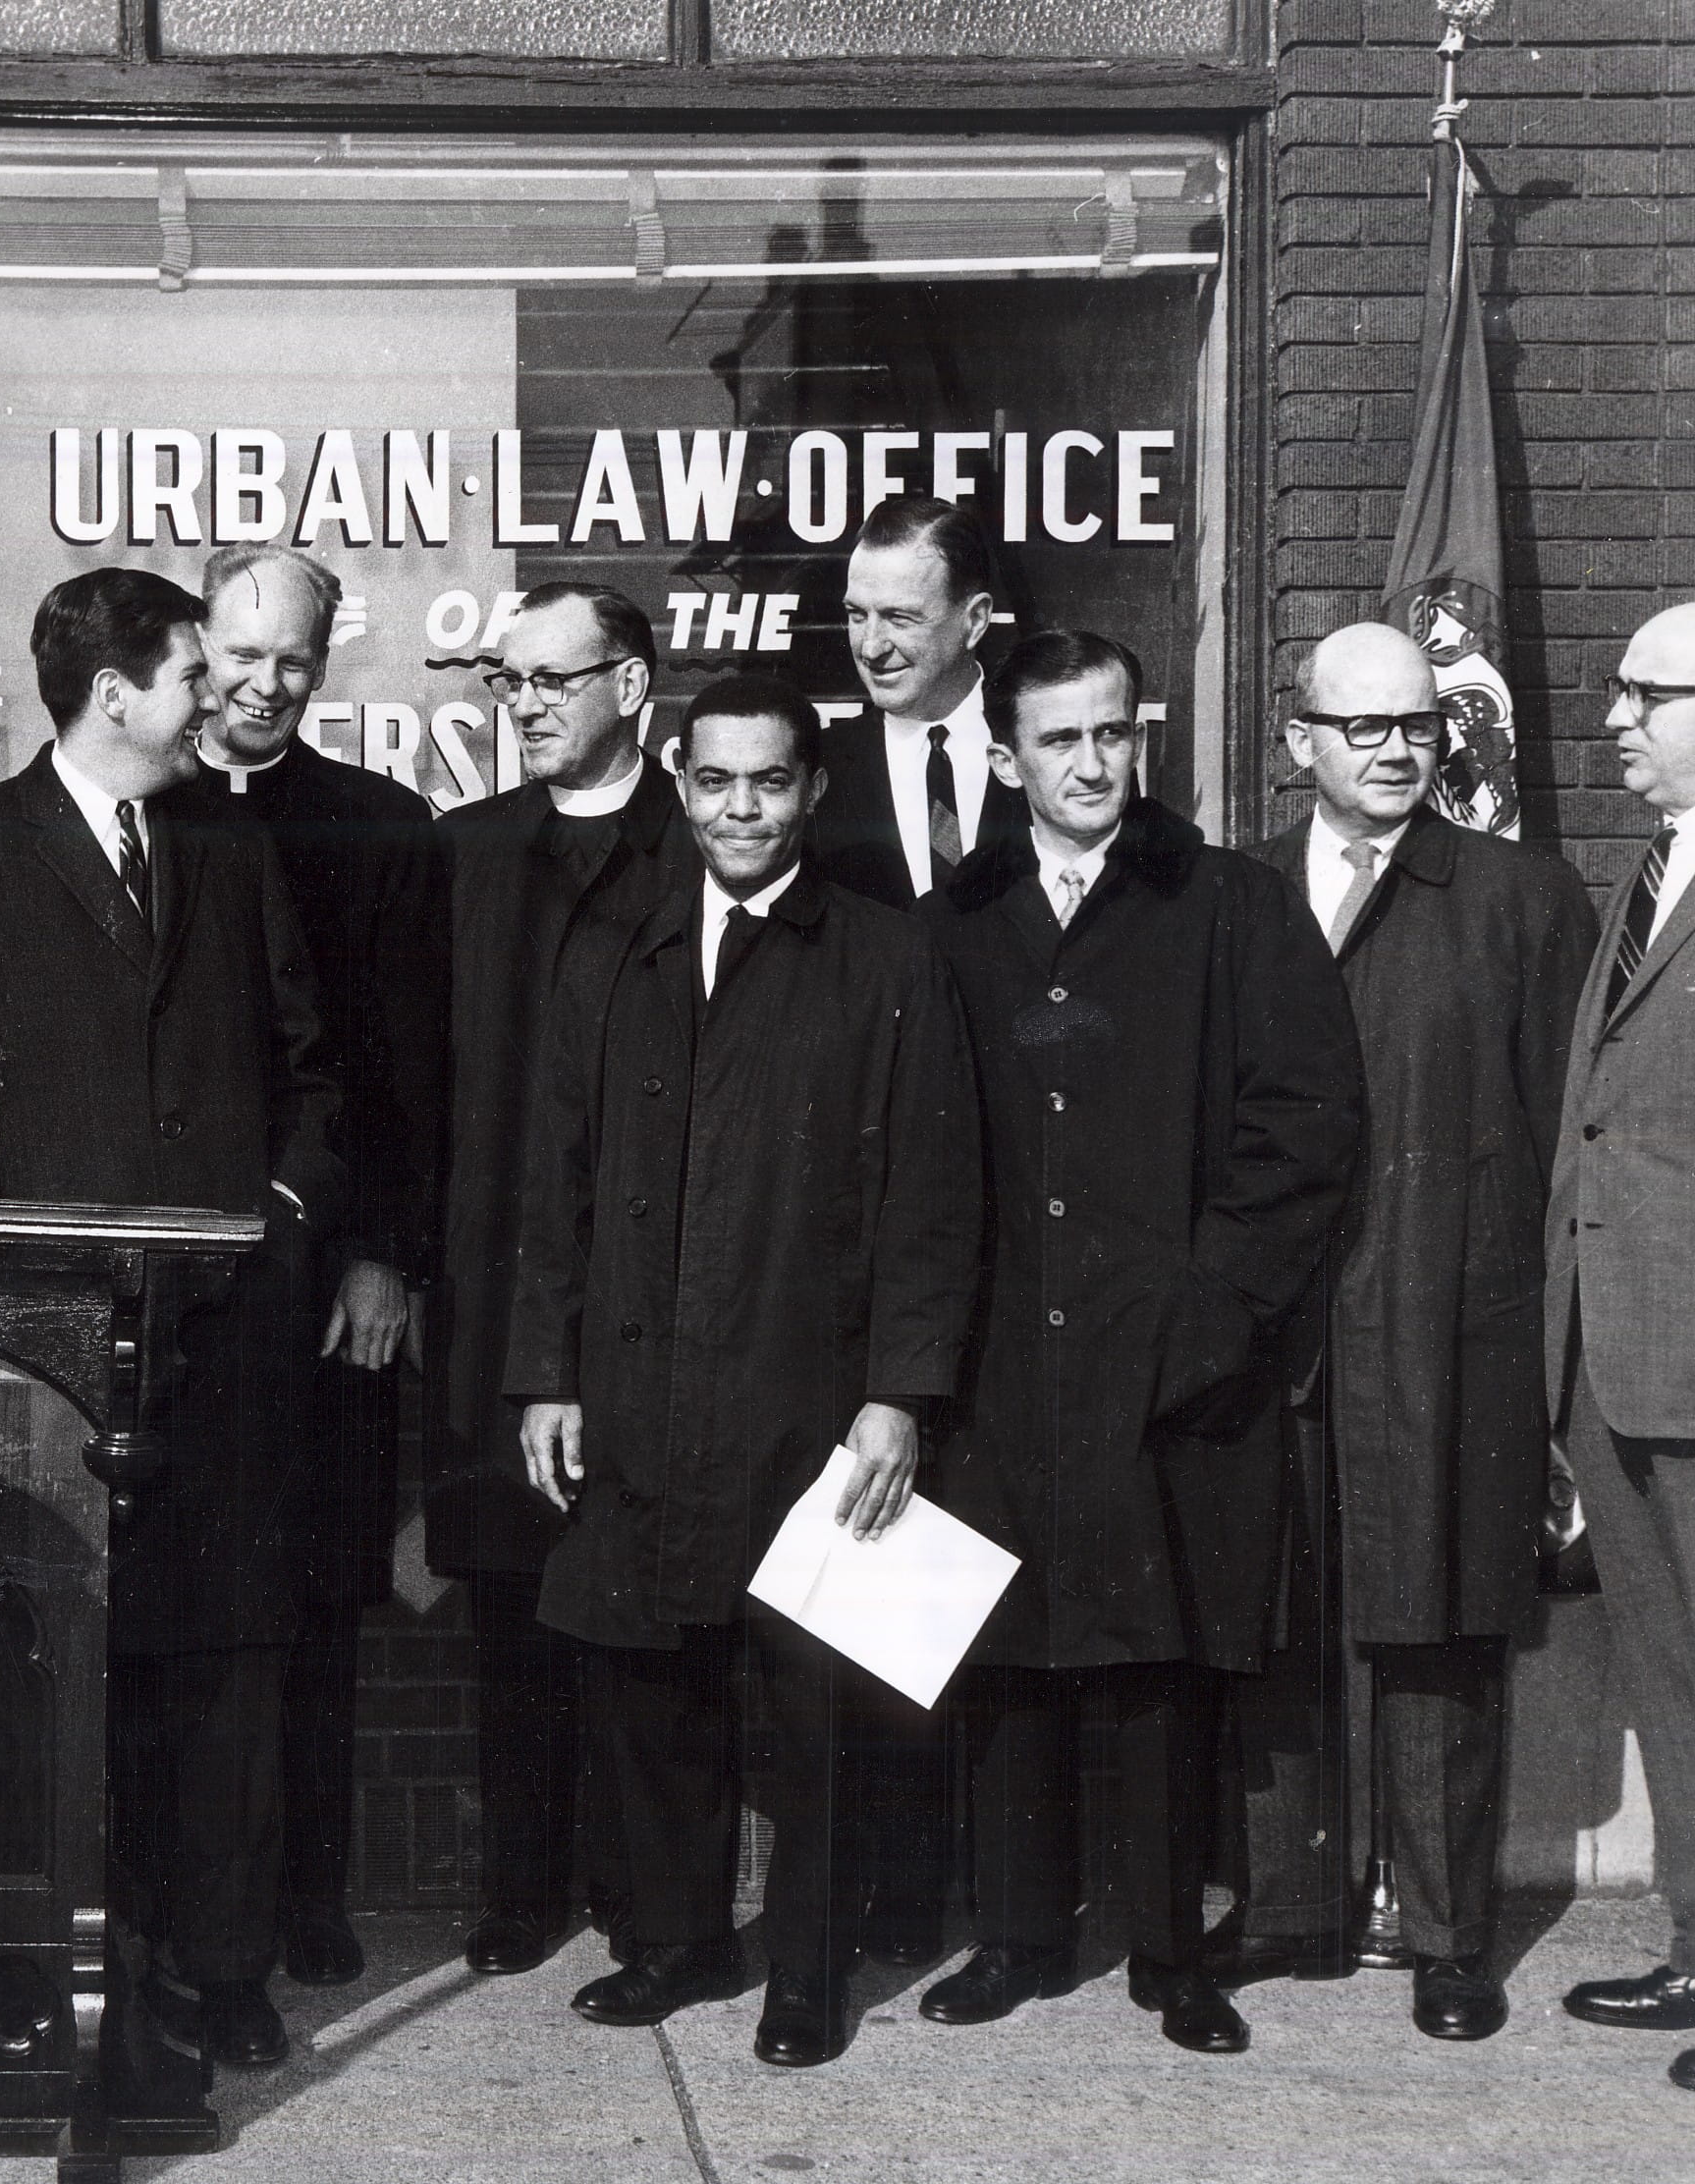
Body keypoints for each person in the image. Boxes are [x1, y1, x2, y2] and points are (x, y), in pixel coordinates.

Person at [0, 567, 346, 2068]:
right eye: (196, 675)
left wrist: (269, 1225)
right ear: (113, 691)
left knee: (227, 1660)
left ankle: (222, 1964)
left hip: (228, 1342)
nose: (222, 701)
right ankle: (83, 1958)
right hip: (46, 1364)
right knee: (57, 1659)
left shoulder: (224, 844)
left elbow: (310, 1070)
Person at [505, 673, 981, 2067]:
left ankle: (804, 1973)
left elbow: (931, 1199)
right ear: (677, 779)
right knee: (647, 1684)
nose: (738, 810)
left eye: (767, 783)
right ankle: (675, 1940)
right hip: (636, 1386)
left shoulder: (885, 960)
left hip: (805, 1396)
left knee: (806, 1703)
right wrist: (546, 1372)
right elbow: (559, 1180)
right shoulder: (617, 949)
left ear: (810, 790)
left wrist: (899, 1393)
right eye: (712, 782)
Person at [918, 629, 1361, 2055]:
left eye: (1112, 733)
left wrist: (1211, 1314)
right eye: (1059, 741)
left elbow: (1300, 1130)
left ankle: (1174, 1952)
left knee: (1161, 1657)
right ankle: (1018, 1935)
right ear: (1004, 761)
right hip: (999, 1363)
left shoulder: (1228, 905)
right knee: (1005, 1653)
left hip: (1169, 1359)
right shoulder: (955, 920)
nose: (1093, 764)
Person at [1220, 623, 1595, 2041]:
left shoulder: (1517, 897)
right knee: (1273, 1617)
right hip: (1270, 1333)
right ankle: (1288, 1908)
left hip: (1447, 1318)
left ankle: (1445, 1936)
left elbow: (1565, 1137)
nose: (1390, 751)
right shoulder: (1233, 890)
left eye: (1415, 729)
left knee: (1437, 1623)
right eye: (1360, 727)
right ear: (1296, 735)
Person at [153, 544, 448, 1990]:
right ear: (194, 646)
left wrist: (385, 1259)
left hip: (329, 1286)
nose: (263, 685)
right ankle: (168, 1899)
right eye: (240, 653)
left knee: (321, 1595)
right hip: (174, 1285)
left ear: (325, 669)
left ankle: (305, 1897)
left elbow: (401, 1072)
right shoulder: (143, 808)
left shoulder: (383, 831)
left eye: (294, 661)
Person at [425, 581, 683, 1976]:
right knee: (509, 1608)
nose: (518, 704)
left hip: (648, 1283)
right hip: (492, 1286)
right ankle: (523, 1889)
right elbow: (422, 1085)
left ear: (629, 689)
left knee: (635, 1598)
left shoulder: (699, 842)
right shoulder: (467, 853)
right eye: (502, 682)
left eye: (546, 680)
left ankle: (641, 1894)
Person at [1549, 601, 1695, 2097]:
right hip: (1611, 1352)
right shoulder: (1650, 863)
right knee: (1675, 1679)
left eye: (1644, 692)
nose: (1612, 714)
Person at [808, 495, 1026, 913]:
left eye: (899, 618)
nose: (871, 647)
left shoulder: (1049, 745)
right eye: (857, 615)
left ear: (975, 620)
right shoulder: (819, 768)